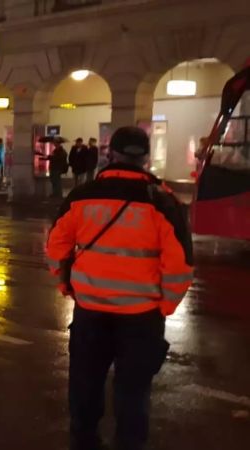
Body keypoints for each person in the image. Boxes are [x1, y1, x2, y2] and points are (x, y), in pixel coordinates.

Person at [46, 126, 193, 450]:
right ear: (144, 158)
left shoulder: (82, 196)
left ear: (110, 154)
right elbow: (180, 265)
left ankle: (84, 443)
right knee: (133, 394)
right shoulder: (163, 201)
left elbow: (56, 246)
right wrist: (164, 306)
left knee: (85, 388)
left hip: (90, 313)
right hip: (141, 317)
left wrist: (67, 285)